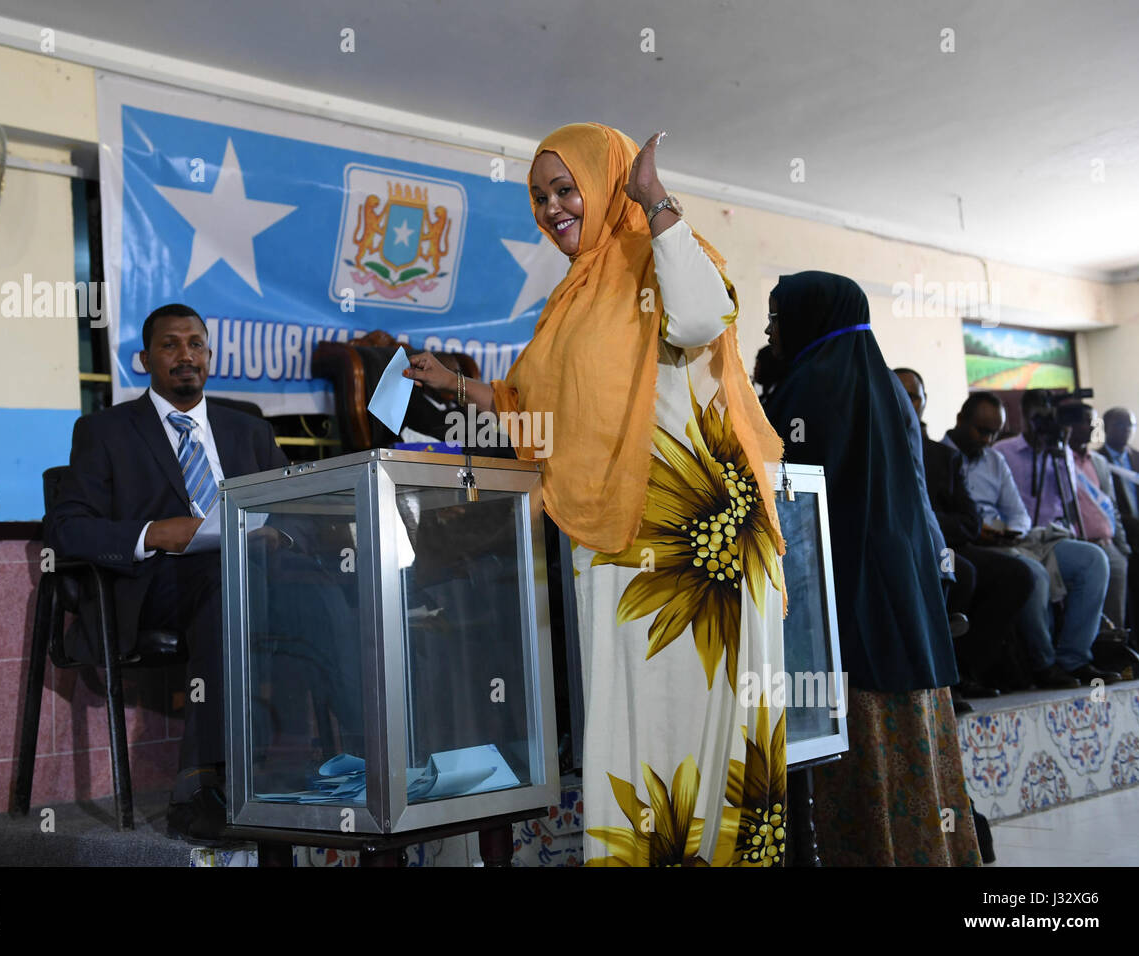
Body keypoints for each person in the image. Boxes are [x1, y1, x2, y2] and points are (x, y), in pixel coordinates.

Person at [405, 124, 788, 866]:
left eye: (566, 187)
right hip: (614, 549)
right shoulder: (572, 299)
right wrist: (458, 388)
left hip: (693, 552)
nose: (551, 207)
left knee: (699, 738)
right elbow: (538, 409)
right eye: (540, 196)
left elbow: (706, 317)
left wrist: (656, 200)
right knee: (631, 733)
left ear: (609, 181)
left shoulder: (662, 250)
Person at [45, 303, 287, 842]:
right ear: (145, 360)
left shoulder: (248, 431)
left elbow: (293, 506)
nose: (186, 356)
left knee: (338, 590)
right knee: (224, 585)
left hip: (253, 576)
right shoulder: (105, 431)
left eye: (196, 344)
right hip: (155, 588)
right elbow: (64, 526)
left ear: (210, 355)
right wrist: (154, 533)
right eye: (170, 345)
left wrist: (279, 532)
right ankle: (199, 793)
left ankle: (353, 768)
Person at [763, 271, 980, 867]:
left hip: (845, 600)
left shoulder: (808, 387)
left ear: (810, 319)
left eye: (777, 317)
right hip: (904, 593)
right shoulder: (884, 385)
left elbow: (780, 491)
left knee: (858, 746)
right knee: (913, 745)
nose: (769, 329)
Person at [894, 369, 1035, 698]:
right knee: (960, 572)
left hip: (949, 545)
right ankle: (940, 679)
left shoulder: (943, 457)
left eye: (913, 395)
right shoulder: (871, 449)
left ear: (925, 402)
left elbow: (970, 520)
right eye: (899, 393)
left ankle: (967, 670)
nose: (905, 401)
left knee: (1019, 575)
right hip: (900, 548)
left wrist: (928, 521)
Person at [990, 389, 1119, 685]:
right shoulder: (1002, 452)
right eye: (1037, 417)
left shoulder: (1062, 452)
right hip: (1015, 539)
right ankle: (1044, 666)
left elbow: (1070, 500)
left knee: (1094, 560)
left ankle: (1074, 659)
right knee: (1036, 576)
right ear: (1023, 416)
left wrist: (1058, 452)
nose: (1042, 425)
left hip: (1053, 538)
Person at [1070, 409, 1130, 630]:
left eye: (1093, 421)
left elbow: (1111, 506)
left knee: (1116, 620)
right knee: (1087, 619)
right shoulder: (1062, 460)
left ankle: (1116, 656)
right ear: (1071, 425)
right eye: (1086, 422)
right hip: (1082, 547)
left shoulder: (1099, 462)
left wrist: (1122, 548)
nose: (1093, 427)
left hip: (1110, 547)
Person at [1096, 407, 1139, 649]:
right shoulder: (1096, 462)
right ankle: (1132, 647)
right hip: (1120, 537)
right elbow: (1103, 504)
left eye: (1130, 426)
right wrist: (1135, 524)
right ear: (1106, 427)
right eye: (1120, 425)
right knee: (1133, 599)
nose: (1126, 431)